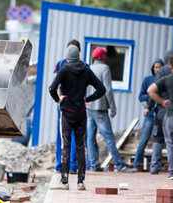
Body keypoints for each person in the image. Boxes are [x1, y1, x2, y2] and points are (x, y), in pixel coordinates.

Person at [49, 45, 107, 190]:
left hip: (66, 111)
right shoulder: (86, 70)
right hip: (81, 111)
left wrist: (58, 99)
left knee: (66, 146)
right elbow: (101, 89)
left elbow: (51, 88)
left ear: (68, 57)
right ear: (79, 56)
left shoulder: (64, 69)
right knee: (80, 146)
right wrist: (87, 99)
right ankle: (80, 182)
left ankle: (64, 182)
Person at [85, 47, 136, 173]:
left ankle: (94, 165)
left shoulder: (89, 68)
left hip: (89, 108)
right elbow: (107, 90)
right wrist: (113, 108)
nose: (106, 57)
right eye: (105, 55)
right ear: (101, 57)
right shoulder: (104, 68)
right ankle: (119, 165)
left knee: (90, 138)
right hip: (101, 108)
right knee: (109, 138)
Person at [53, 40, 80, 174]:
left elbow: (56, 84)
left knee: (62, 135)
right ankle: (73, 166)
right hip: (78, 105)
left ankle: (60, 165)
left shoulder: (60, 64)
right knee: (76, 135)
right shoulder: (84, 66)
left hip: (64, 104)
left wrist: (59, 99)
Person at [135, 58, 164, 171]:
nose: (158, 69)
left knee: (160, 141)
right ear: (153, 68)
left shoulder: (165, 80)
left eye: (160, 67)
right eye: (156, 67)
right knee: (143, 141)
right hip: (150, 115)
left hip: (161, 115)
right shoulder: (148, 80)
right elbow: (141, 96)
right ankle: (137, 165)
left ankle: (157, 165)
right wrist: (152, 95)